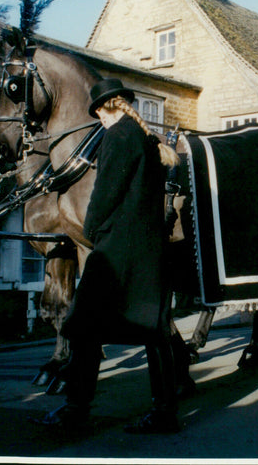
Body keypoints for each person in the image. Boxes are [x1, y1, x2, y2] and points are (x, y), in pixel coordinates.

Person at [32, 79, 184, 434]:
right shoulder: (147, 139)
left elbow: (104, 195)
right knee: (155, 331)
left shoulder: (116, 137)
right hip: (148, 253)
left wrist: (93, 232)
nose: (99, 120)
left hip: (117, 252)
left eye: (99, 113)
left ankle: (75, 410)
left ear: (107, 108)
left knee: (83, 328)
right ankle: (164, 413)